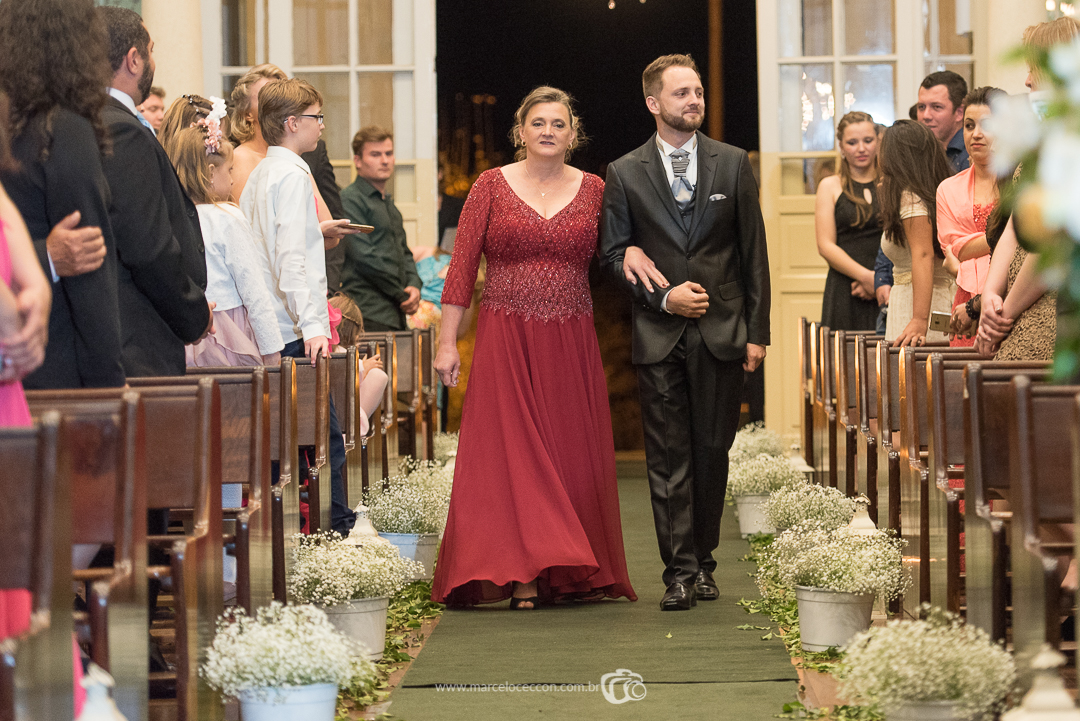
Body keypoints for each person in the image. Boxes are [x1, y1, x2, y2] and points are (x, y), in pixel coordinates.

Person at [432, 86, 636, 610]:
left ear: (573, 134)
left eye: (558, 123)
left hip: (570, 335)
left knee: (566, 451)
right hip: (505, 335)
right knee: (513, 453)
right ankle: (522, 571)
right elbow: (461, 268)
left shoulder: (596, 189)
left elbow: (619, 249)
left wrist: (643, 258)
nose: (548, 131)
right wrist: (447, 343)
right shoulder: (489, 186)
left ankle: (564, 569)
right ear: (520, 131)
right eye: (538, 122)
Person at [600, 54, 771, 611]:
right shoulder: (624, 172)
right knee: (668, 457)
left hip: (723, 331)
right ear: (653, 103)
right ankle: (679, 572)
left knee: (712, 451)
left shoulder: (732, 162)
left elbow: (753, 253)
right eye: (681, 93)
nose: (694, 100)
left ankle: (706, 560)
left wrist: (757, 332)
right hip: (659, 333)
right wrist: (663, 296)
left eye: (697, 91)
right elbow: (612, 257)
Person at [239, 77, 355, 535]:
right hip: (292, 331)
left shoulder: (263, 172)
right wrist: (313, 327)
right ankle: (335, 534)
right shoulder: (290, 175)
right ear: (291, 123)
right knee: (324, 442)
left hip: (272, 326)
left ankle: (293, 537)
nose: (321, 125)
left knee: (289, 445)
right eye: (316, 117)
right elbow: (290, 259)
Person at [0, 0, 124, 390]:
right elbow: (90, 266)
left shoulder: (18, 127)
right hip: (51, 361)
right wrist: (109, 381)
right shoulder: (62, 130)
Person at [98, 6, 213, 377]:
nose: (153, 61)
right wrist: (194, 314)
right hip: (138, 338)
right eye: (151, 50)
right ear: (134, 59)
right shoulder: (121, 129)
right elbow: (147, 245)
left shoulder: (88, 120)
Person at [977, 17, 1080, 360]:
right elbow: (1015, 226)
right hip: (1017, 304)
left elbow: (1050, 243)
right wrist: (990, 294)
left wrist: (1003, 315)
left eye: (1034, 68)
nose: (1027, 80)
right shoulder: (1043, 142)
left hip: (1053, 307)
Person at [165, 119, 284, 367]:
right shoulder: (227, 218)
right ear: (210, 172)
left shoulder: (169, 218)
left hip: (186, 329)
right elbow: (254, 290)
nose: (231, 180)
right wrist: (271, 350)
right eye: (229, 170)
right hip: (228, 331)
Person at [227, 64, 353, 257]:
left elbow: (331, 234)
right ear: (247, 114)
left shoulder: (297, 158)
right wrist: (315, 233)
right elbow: (248, 235)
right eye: (265, 97)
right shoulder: (240, 159)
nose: (275, 104)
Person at [935, 86, 1004, 346]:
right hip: (966, 300)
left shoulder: (1018, 183)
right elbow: (954, 248)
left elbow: (1025, 244)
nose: (976, 134)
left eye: (986, 125)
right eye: (969, 125)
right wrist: (1003, 238)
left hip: (1009, 295)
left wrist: (965, 255)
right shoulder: (948, 189)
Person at [878, 119, 956, 346]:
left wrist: (919, 320)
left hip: (920, 308)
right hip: (924, 301)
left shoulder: (911, 197)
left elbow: (923, 254)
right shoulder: (926, 192)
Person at [339, 127, 423, 332]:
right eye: (375, 154)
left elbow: (405, 253)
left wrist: (414, 285)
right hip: (367, 311)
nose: (385, 161)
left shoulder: (389, 204)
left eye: (389, 153)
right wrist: (402, 294)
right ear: (358, 161)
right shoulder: (349, 199)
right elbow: (364, 257)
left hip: (394, 311)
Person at [815, 111, 882, 331]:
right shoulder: (829, 186)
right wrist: (867, 278)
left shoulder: (890, 183)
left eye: (868, 140)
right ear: (841, 147)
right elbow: (825, 245)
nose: (861, 148)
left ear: (877, 142)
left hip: (887, 284)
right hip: (845, 286)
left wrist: (881, 281)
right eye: (852, 143)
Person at [327, 292, 389, 437]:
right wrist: (362, 368)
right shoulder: (341, 355)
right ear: (354, 334)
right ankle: (351, 430)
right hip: (341, 423)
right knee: (378, 376)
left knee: (378, 375)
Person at [918, 70, 969, 172]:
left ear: (960, 113)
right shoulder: (921, 151)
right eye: (921, 107)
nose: (926, 115)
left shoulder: (971, 154)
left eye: (936, 107)